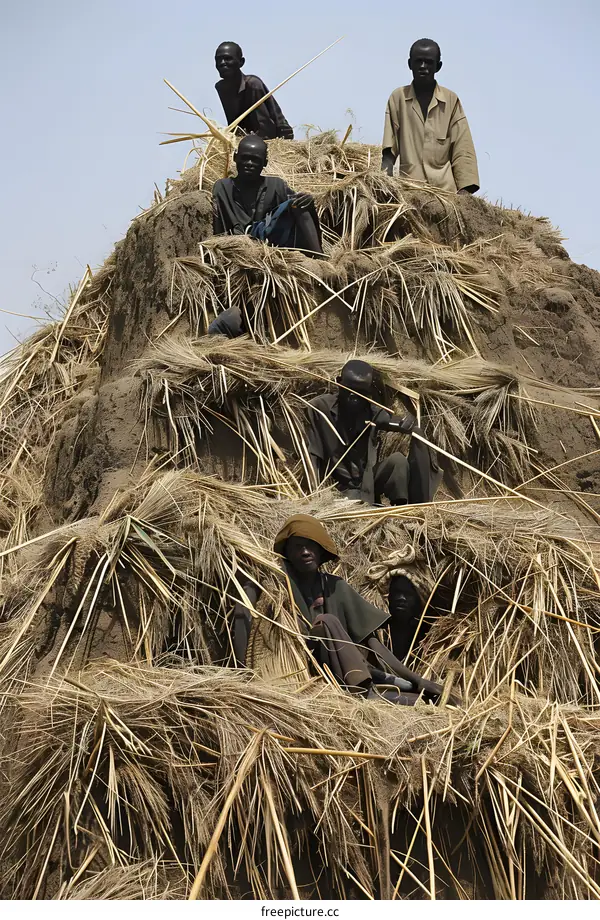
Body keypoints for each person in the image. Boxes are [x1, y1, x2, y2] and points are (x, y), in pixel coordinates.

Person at [232, 514, 448, 704]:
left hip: (346, 673)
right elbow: (244, 615)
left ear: (320, 549)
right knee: (327, 622)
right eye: (298, 546)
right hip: (301, 671)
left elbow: (372, 644)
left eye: (310, 545)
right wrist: (245, 677)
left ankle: (384, 684)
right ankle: (366, 689)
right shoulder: (277, 584)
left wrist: (416, 678)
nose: (305, 552)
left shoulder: (336, 587)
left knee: (425, 698)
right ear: (287, 552)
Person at [209, 135, 322, 336]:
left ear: (265, 163)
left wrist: (306, 199)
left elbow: (292, 206)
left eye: (255, 160)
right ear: (235, 158)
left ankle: (321, 262)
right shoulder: (222, 188)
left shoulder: (276, 186)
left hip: (270, 239)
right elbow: (217, 228)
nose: (249, 163)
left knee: (300, 204)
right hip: (241, 243)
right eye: (245, 158)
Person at [305, 359, 441, 505]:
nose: (354, 398)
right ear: (339, 383)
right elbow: (312, 451)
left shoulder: (370, 411)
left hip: (367, 481)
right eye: (349, 390)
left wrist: (405, 423)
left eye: (361, 393)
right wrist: (315, 493)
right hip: (339, 486)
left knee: (398, 461)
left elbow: (393, 421)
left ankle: (403, 508)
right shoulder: (320, 408)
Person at [381, 38, 479, 195]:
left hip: (445, 193)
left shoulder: (450, 100)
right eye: (418, 61)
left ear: (438, 66)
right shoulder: (398, 97)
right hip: (410, 191)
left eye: (428, 62)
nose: (422, 67)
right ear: (409, 64)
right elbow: (389, 150)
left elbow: (463, 148)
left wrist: (465, 193)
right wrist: (384, 186)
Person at [215, 41, 294, 140]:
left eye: (228, 59)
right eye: (218, 60)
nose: (222, 63)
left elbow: (266, 127)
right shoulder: (221, 88)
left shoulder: (252, 84)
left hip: (275, 137)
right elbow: (234, 125)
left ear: (241, 62)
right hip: (247, 139)